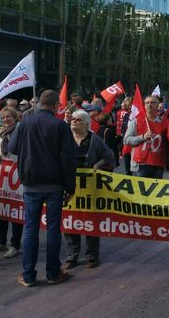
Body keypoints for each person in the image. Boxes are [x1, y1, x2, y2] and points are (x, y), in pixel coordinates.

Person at [8, 89, 76, 286]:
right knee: (53, 228)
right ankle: (53, 273)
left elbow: (12, 148)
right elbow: (68, 159)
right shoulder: (60, 126)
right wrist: (70, 186)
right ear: (56, 106)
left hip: (30, 184)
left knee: (31, 228)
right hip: (54, 184)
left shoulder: (25, 123)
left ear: (39, 104)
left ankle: (28, 275)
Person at [64, 109, 115, 269]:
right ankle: (72, 255)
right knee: (70, 220)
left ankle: (92, 255)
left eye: (78, 120)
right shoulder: (65, 139)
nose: (74, 121)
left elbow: (109, 157)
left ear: (86, 124)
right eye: (72, 119)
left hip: (90, 189)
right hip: (70, 187)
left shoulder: (95, 140)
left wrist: (97, 165)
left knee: (90, 220)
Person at [0, 106, 23, 259]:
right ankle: (1, 241)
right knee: (0, 209)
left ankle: (15, 244)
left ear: (15, 118)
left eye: (9, 117)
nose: (6, 120)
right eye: (4, 117)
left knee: (15, 210)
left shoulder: (20, 132)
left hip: (14, 176)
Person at [124, 95, 167, 179]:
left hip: (157, 164)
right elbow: (126, 140)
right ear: (144, 105)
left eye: (152, 102)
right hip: (140, 164)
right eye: (147, 103)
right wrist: (143, 137)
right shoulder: (136, 122)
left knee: (155, 191)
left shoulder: (163, 123)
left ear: (157, 105)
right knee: (140, 191)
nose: (149, 105)